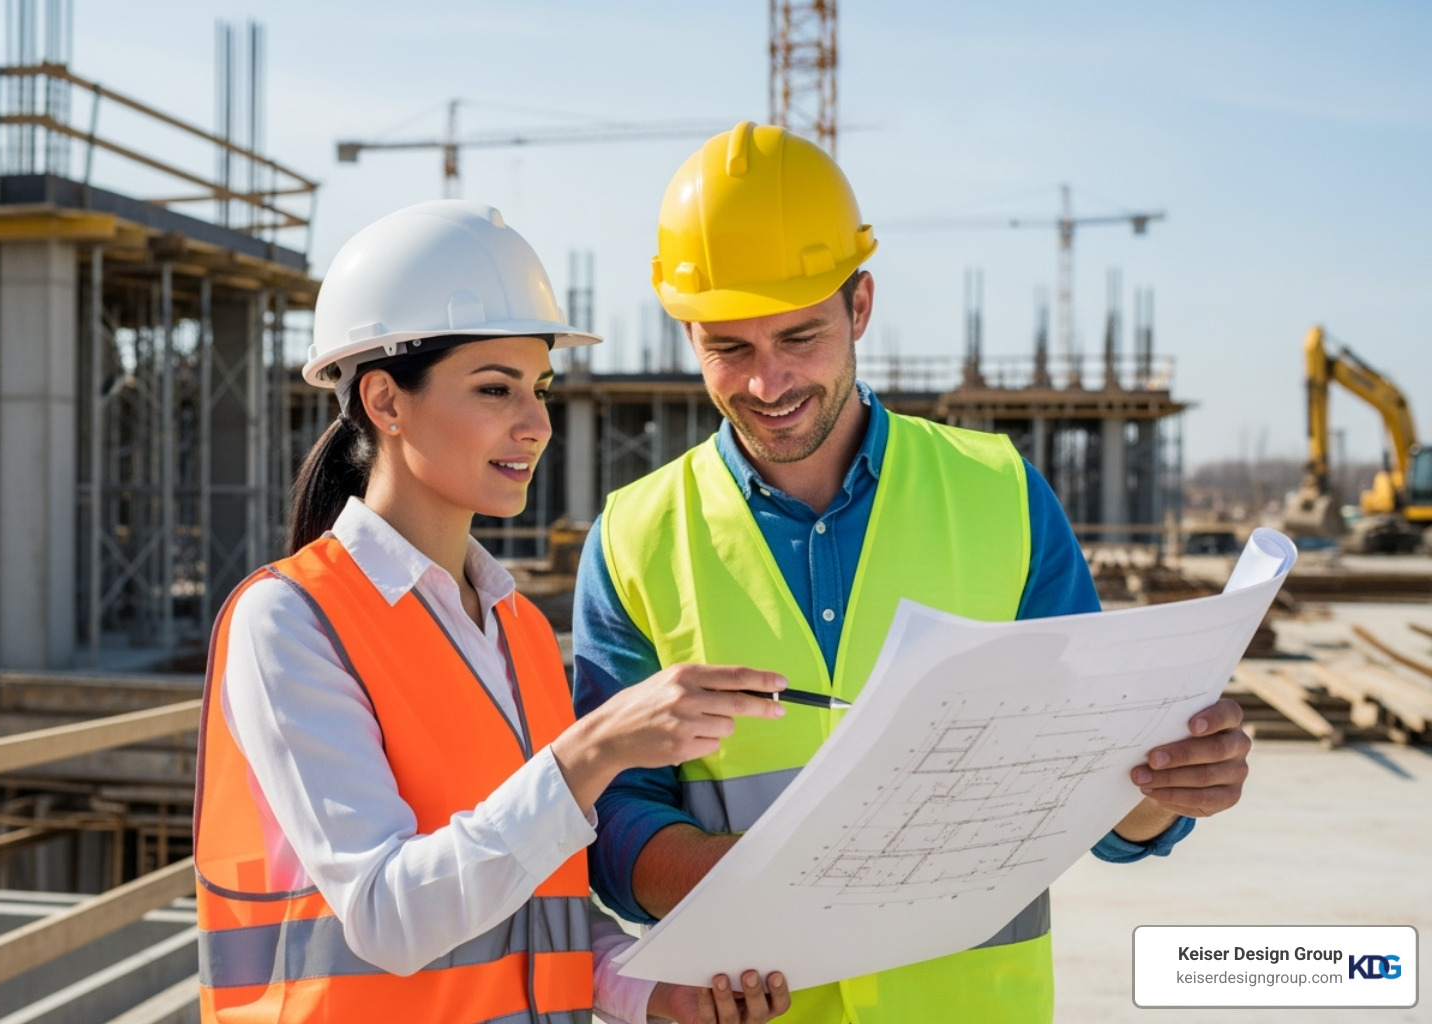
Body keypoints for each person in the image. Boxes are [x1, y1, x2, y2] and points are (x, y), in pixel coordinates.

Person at [573, 123, 1252, 1023]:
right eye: (729, 348)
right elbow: (605, 813)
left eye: (800, 335)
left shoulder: (1002, 495)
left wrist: (1162, 793)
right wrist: (737, 887)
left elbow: (1099, 783)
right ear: (688, 331)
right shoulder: (632, 538)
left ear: (859, 306)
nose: (769, 382)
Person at [193, 200, 793, 1024]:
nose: (536, 424)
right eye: (494, 389)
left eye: (539, 388)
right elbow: (387, 915)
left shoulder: (515, 630)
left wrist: (658, 992)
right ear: (385, 401)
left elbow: (537, 907)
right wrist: (593, 751)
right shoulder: (291, 621)